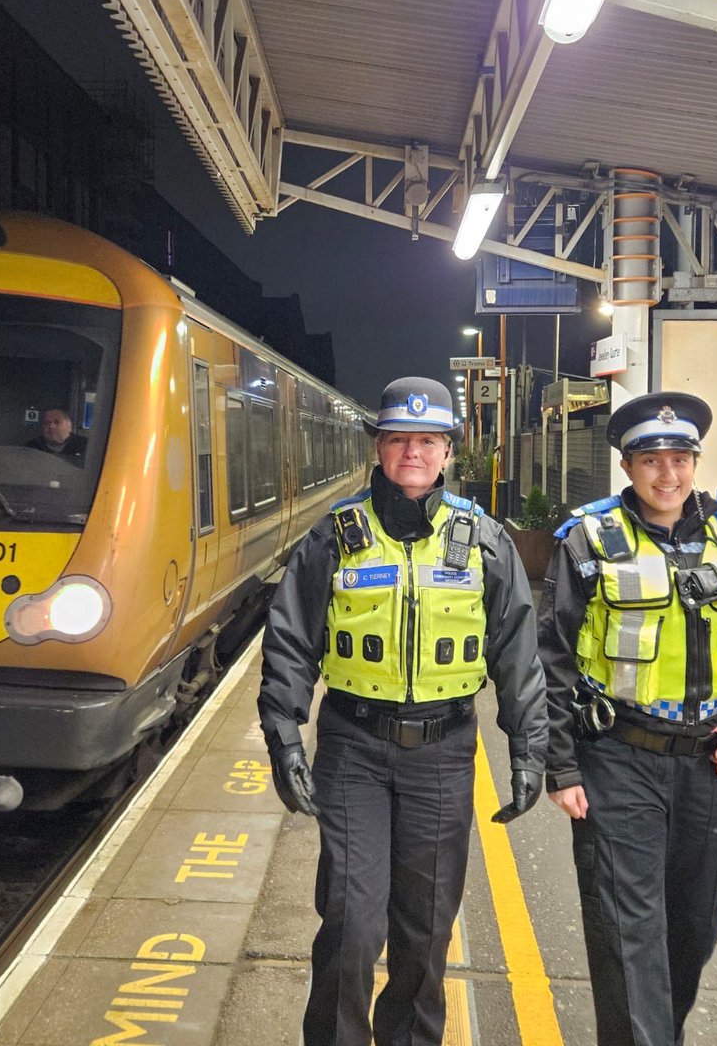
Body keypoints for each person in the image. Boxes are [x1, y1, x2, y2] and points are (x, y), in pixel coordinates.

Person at [258, 376, 548, 1046]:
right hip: (353, 749)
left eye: (427, 440)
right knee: (352, 921)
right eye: (398, 439)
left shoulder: (485, 541)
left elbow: (517, 653)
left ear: (449, 451)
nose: (412, 452)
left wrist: (532, 749)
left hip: (445, 758)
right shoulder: (334, 537)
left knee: (425, 934)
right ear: (379, 449)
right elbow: (292, 641)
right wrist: (284, 738)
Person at [538, 390, 717, 1046]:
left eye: (680, 458)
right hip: (618, 758)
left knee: (694, 929)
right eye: (651, 459)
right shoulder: (588, 541)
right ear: (627, 467)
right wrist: (559, 765)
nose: (667, 473)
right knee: (628, 936)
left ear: (696, 463)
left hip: (710, 766)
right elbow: (552, 657)